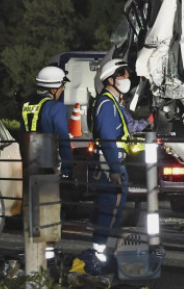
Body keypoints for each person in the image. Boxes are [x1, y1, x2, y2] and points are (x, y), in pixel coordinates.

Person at [75, 59, 134, 277]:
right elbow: (108, 140)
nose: (126, 80)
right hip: (112, 166)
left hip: (110, 164)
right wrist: (116, 170)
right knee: (110, 214)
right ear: (110, 79)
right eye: (122, 76)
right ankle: (99, 260)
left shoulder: (111, 102)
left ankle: (101, 256)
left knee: (109, 212)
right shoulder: (107, 105)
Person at [21, 65, 75, 266]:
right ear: (54, 88)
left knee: (33, 210)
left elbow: (21, 134)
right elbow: (62, 138)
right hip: (47, 161)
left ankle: (34, 254)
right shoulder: (56, 107)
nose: (62, 90)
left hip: (30, 161)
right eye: (61, 86)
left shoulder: (27, 104)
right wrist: (68, 167)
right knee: (50, 211)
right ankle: (49, 260)